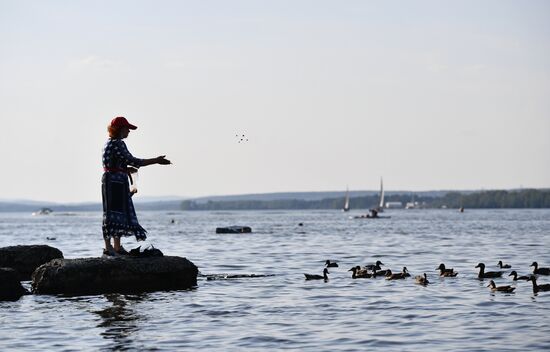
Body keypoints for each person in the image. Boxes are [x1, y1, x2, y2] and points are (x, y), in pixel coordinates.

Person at [102, 116, 171, 256]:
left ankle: (116, 247)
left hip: (113, 180)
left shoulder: (110, 143)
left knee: (115, 213)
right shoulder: (118, 143)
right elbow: (133, 160)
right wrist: (156, 161)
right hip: (115, 182)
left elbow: (117, 163)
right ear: (120, 129)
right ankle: (109, 247)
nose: (129, 131)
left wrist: (126, 170)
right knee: (113, 214)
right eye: (127, 128)